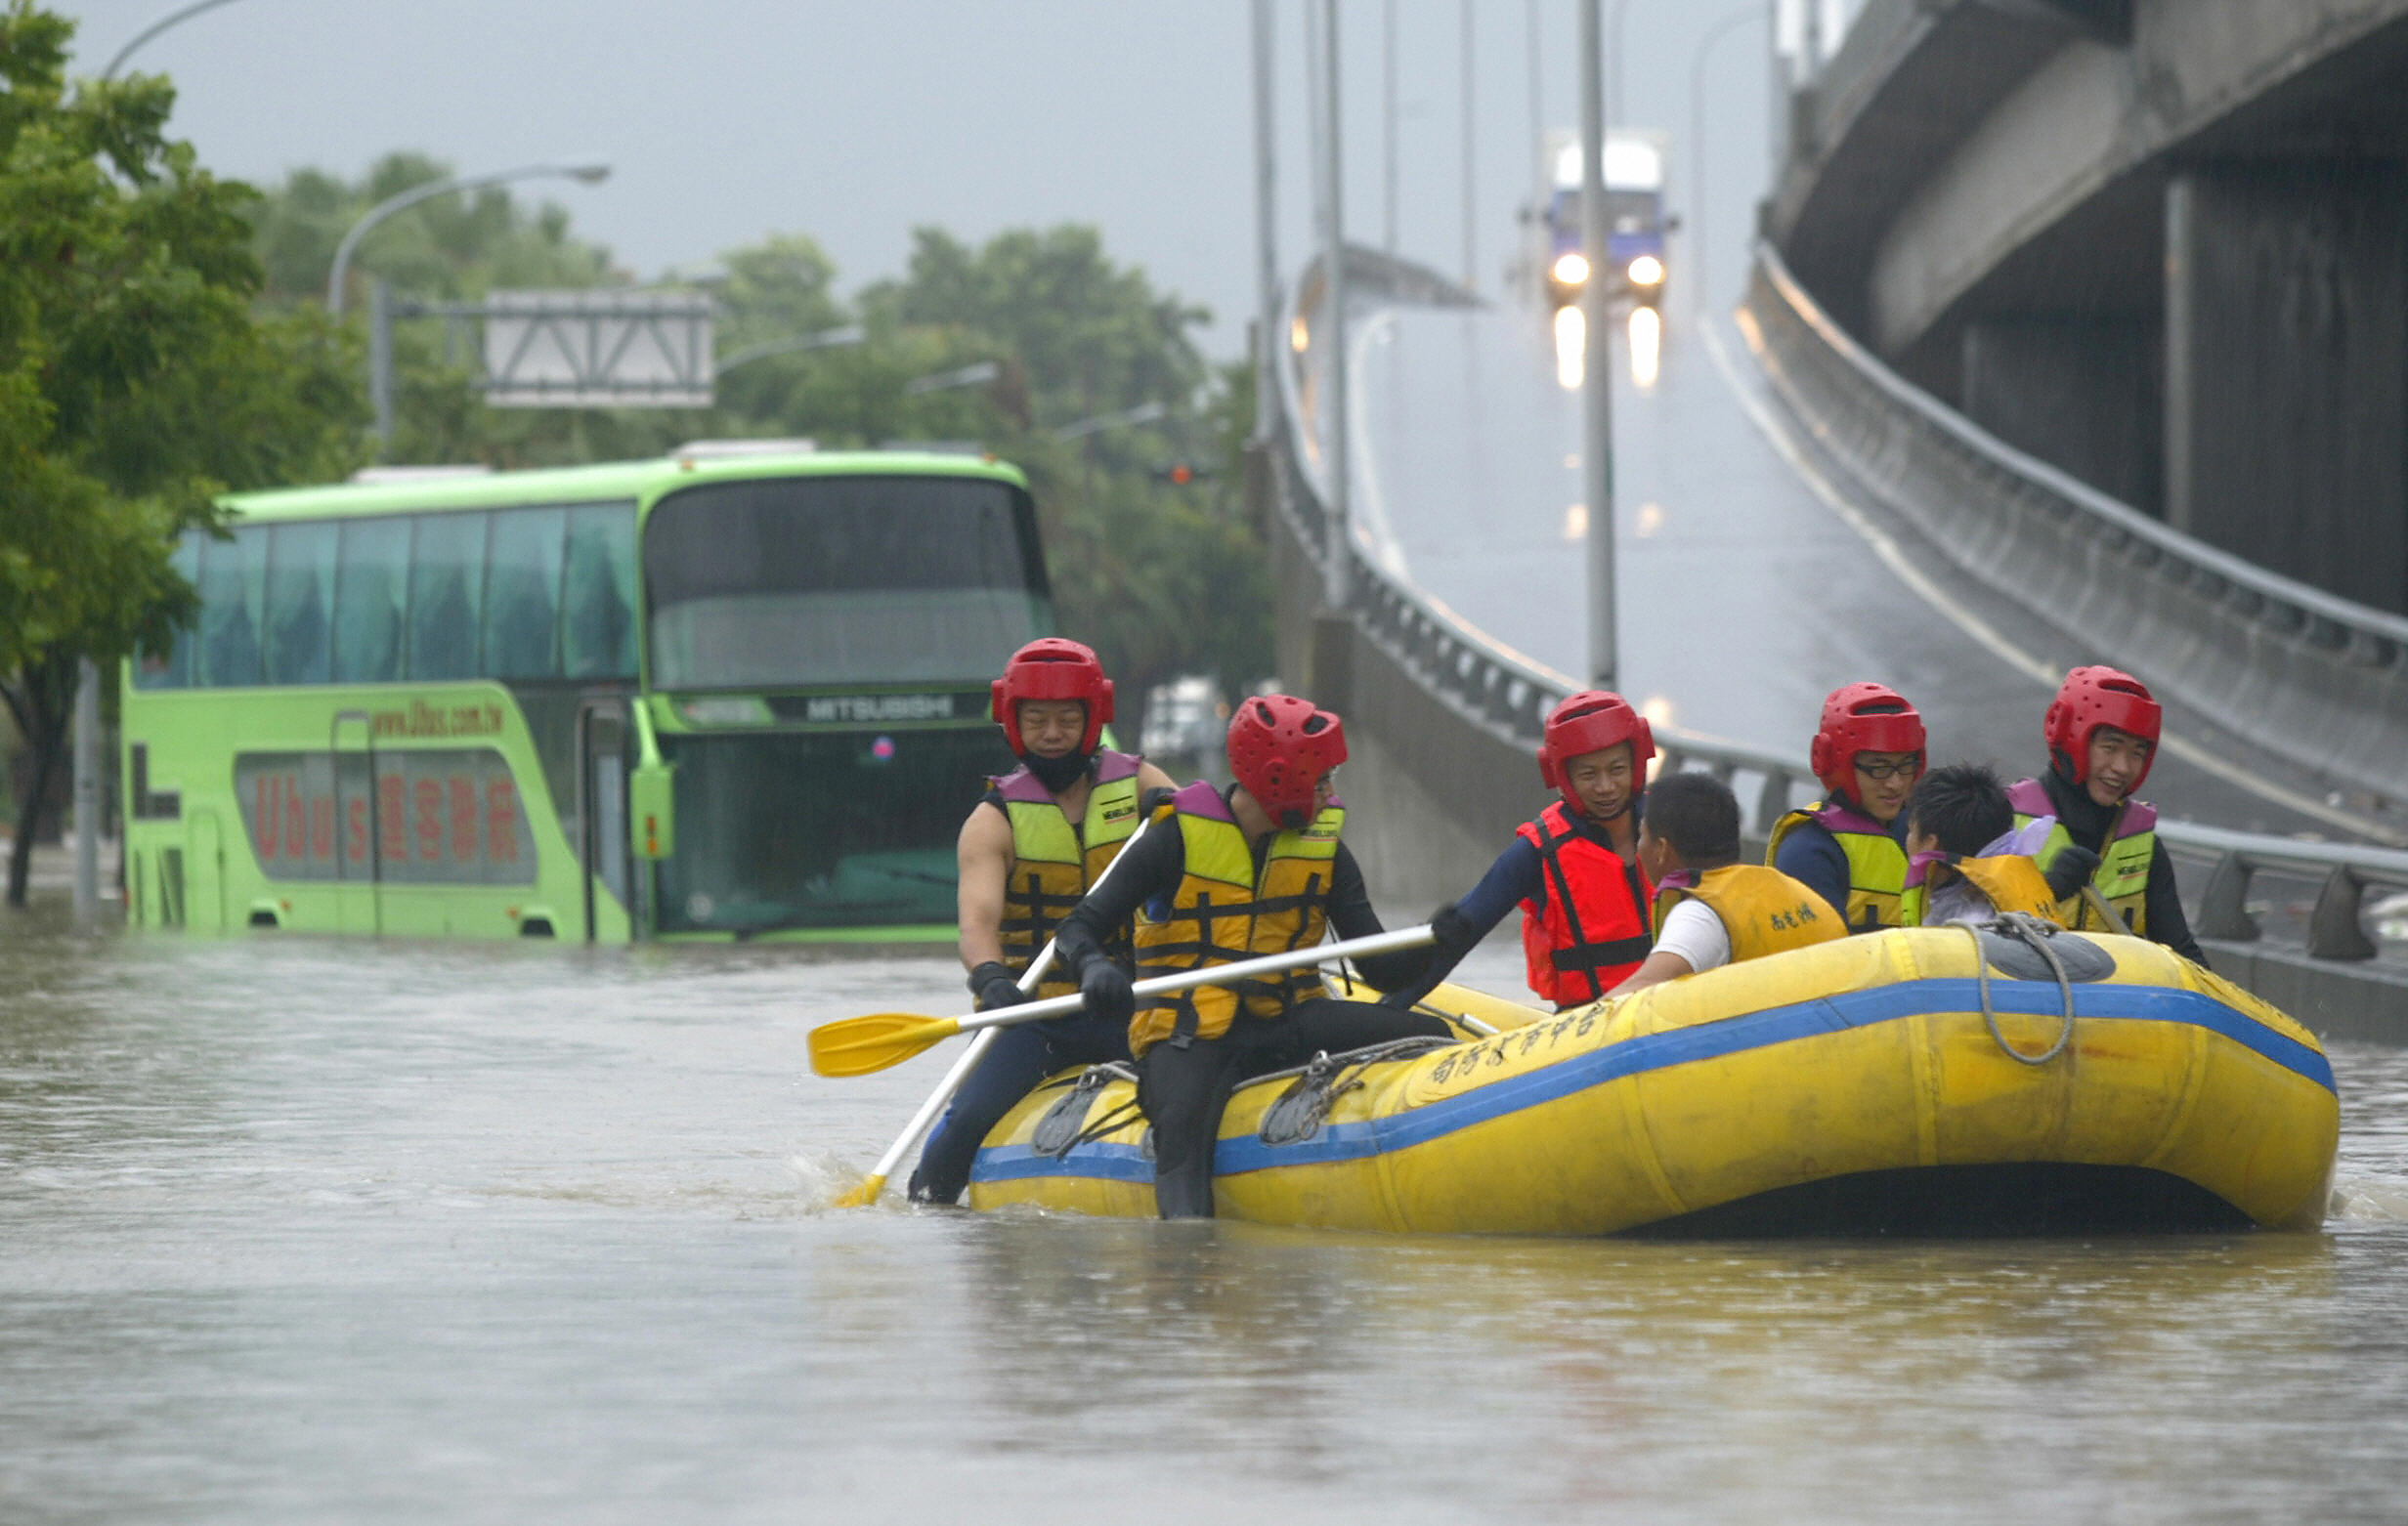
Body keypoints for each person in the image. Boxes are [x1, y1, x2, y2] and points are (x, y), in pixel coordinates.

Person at [1054, 695, 1453, 1219]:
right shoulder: (1171, 839)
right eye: (1321, 780)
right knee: (1183, 1136)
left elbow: (1377, 969)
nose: (1330, 793)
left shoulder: (1324, 847)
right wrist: (1095, 967)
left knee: (1433, 1036)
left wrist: (1438, 942)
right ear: (1278, 778)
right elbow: (1077, 929)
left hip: (1289, 1019)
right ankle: (1188, 1259)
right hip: (1187, 1031)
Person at [907, 638, 1178, 1205]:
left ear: (1092, 719)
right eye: (1037, 721)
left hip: (1132, 1002)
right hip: (1038, 1015)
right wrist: (991, 980)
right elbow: (977, 924)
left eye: (1065, 719)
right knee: (965, 1124)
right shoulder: (991, 821)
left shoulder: (1142, 784)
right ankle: (929, 1202)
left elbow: (1215, 834)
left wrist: (1185, 815)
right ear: (1014, 723)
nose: (1051, 733)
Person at [1387, 691, 1657, 1012]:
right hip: (1589, 1025)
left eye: (1617, 770)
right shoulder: (1536, 852)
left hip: (1675, 1010)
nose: (1605, 787)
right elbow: (1464, 929)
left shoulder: (1674, 824)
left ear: (1637, 764)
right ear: (1562, 776)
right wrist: (1387, 1011)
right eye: (1588, 774)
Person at [2008, 665, 2207, 962]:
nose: (2123, 767)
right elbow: (1969, 935)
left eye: (2136, 753)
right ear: (2069, 736)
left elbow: (2182, 954)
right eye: (2110, 747)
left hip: (2112, 1008)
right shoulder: (2003, 820)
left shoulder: (2144, 846)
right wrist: (2049, 890)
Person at [1608, 773, 1844, 997]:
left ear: (1661, 849)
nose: (1639, 847)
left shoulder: (1702, 914)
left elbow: (1642, 989)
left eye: (1642, 836)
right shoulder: (1800, 894)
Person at [1767, 682, 1925, 932]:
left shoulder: (1929, 832)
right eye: (1879, 767)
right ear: (1838, 765)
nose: (1896, 783)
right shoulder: (1808, 851)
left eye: (1906, 765)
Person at [1898, 763, 2097, 927]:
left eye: (1912, 829)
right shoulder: (2020, 910)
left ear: (1931, 846)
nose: (1908, 838)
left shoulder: (1958, 927)